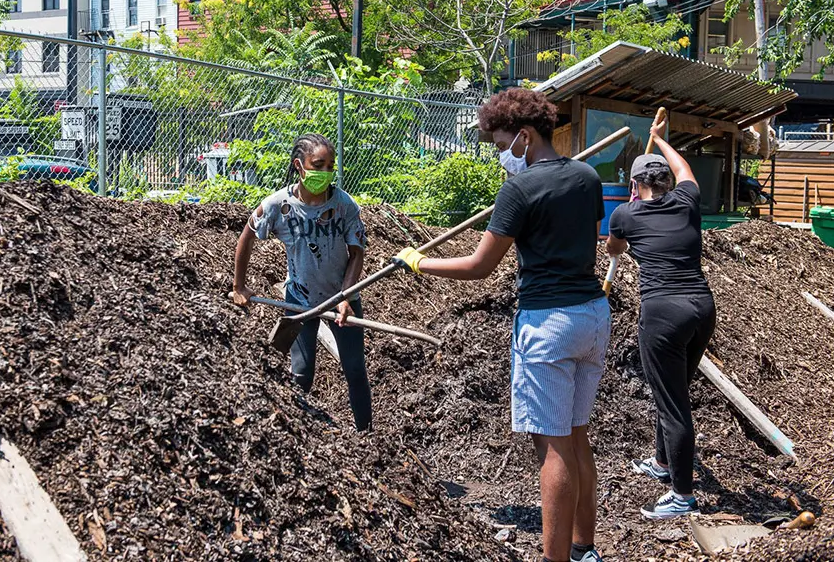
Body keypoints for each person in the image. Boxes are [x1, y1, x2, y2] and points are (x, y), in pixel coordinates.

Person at [393, 88, 610, 562]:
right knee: (576, 434)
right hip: (593, 315)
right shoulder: (587, 177)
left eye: (500, 144)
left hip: (548, 323)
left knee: (552, 446)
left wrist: (419, 262)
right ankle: (584, 549)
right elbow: (587, 238)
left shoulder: (519, 188)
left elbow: (479, 266)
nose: (500, 156)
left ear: (525, 137)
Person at [605, 113, 716, 519]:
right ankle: (663, 463)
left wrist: (627, 220)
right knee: (674, 392)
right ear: (667, 182)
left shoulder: (625, 215)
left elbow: (614, 251)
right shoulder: (687, 202)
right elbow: (685, 169)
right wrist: (660, 138)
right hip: (702, 309)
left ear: (635, 185)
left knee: (673, 405)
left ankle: (683, 497)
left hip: (663, 315)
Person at [232, 133, 372, 432]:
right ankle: (299, 435)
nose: (325, 173)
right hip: (299, 300)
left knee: (355, 370)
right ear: (300, 165)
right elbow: (246, 236)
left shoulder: (344, 205)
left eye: (330, 166)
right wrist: (238, 286)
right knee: (302, 373)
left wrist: (346, 296)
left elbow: (357, 253)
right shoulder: (278, 206)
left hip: (342, 300)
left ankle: (367, 436)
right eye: (317, 165)